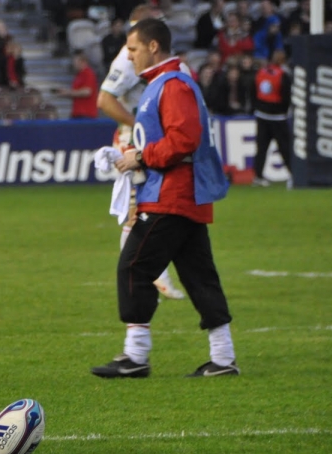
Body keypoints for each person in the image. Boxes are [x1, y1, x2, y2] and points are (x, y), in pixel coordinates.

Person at [91, 18, 236, 379]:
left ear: (153, 47)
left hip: (172, 195)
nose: (130, 55)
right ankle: (223, 358)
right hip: (186, 196)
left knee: (134, 267)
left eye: (134, 48)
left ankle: (135, 356)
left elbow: (183, 139)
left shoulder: (171, 85)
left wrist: (140, 156)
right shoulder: (167, 83)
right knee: (199, 276)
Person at [96, 4, 186, 301]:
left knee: (151, 209)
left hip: (151, 142)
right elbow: (104, 100)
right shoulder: (127, 57)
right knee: (139, 212)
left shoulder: (157, 59)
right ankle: (147, 277)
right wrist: (138, 126)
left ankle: (148, 275)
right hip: (136, 142)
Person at [252, 49, 292, 187]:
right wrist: (284, 111)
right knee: (285, 148)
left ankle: (258, 177)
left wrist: (257, 108)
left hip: (261, 115)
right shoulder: (283, 75)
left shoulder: (261, 73)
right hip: (278, 117)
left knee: (261, 147)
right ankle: (294, 174)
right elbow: (287, 97)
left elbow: (253, 92)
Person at [52, 51, 97, 118]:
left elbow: (87, 92)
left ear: (83, 62)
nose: (74, 64)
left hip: (86, 113)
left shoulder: (88, 73)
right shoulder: (78, 75)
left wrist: (68, 93)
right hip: (77, 112)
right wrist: (65, 92)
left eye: (76, 62)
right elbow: (76, 92)